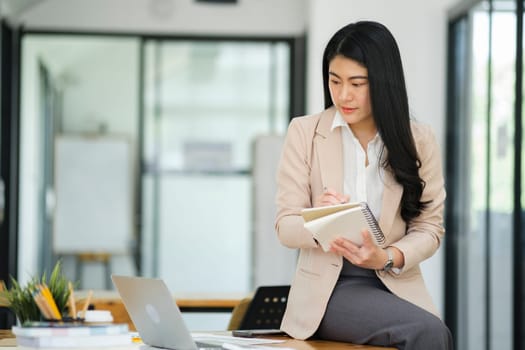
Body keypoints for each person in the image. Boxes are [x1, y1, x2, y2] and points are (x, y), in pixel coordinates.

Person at [274, 20, 453, 350]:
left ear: (384, 83)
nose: (344, 95)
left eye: (358, 83)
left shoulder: (419, 140)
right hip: (331, 288)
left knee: (431, 330)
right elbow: (286, 226)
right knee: (428, 333)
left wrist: (387, 256)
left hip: (394, 280)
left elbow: (429, 228)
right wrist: (321, 221)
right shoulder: (304, 132)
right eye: (335, 81)